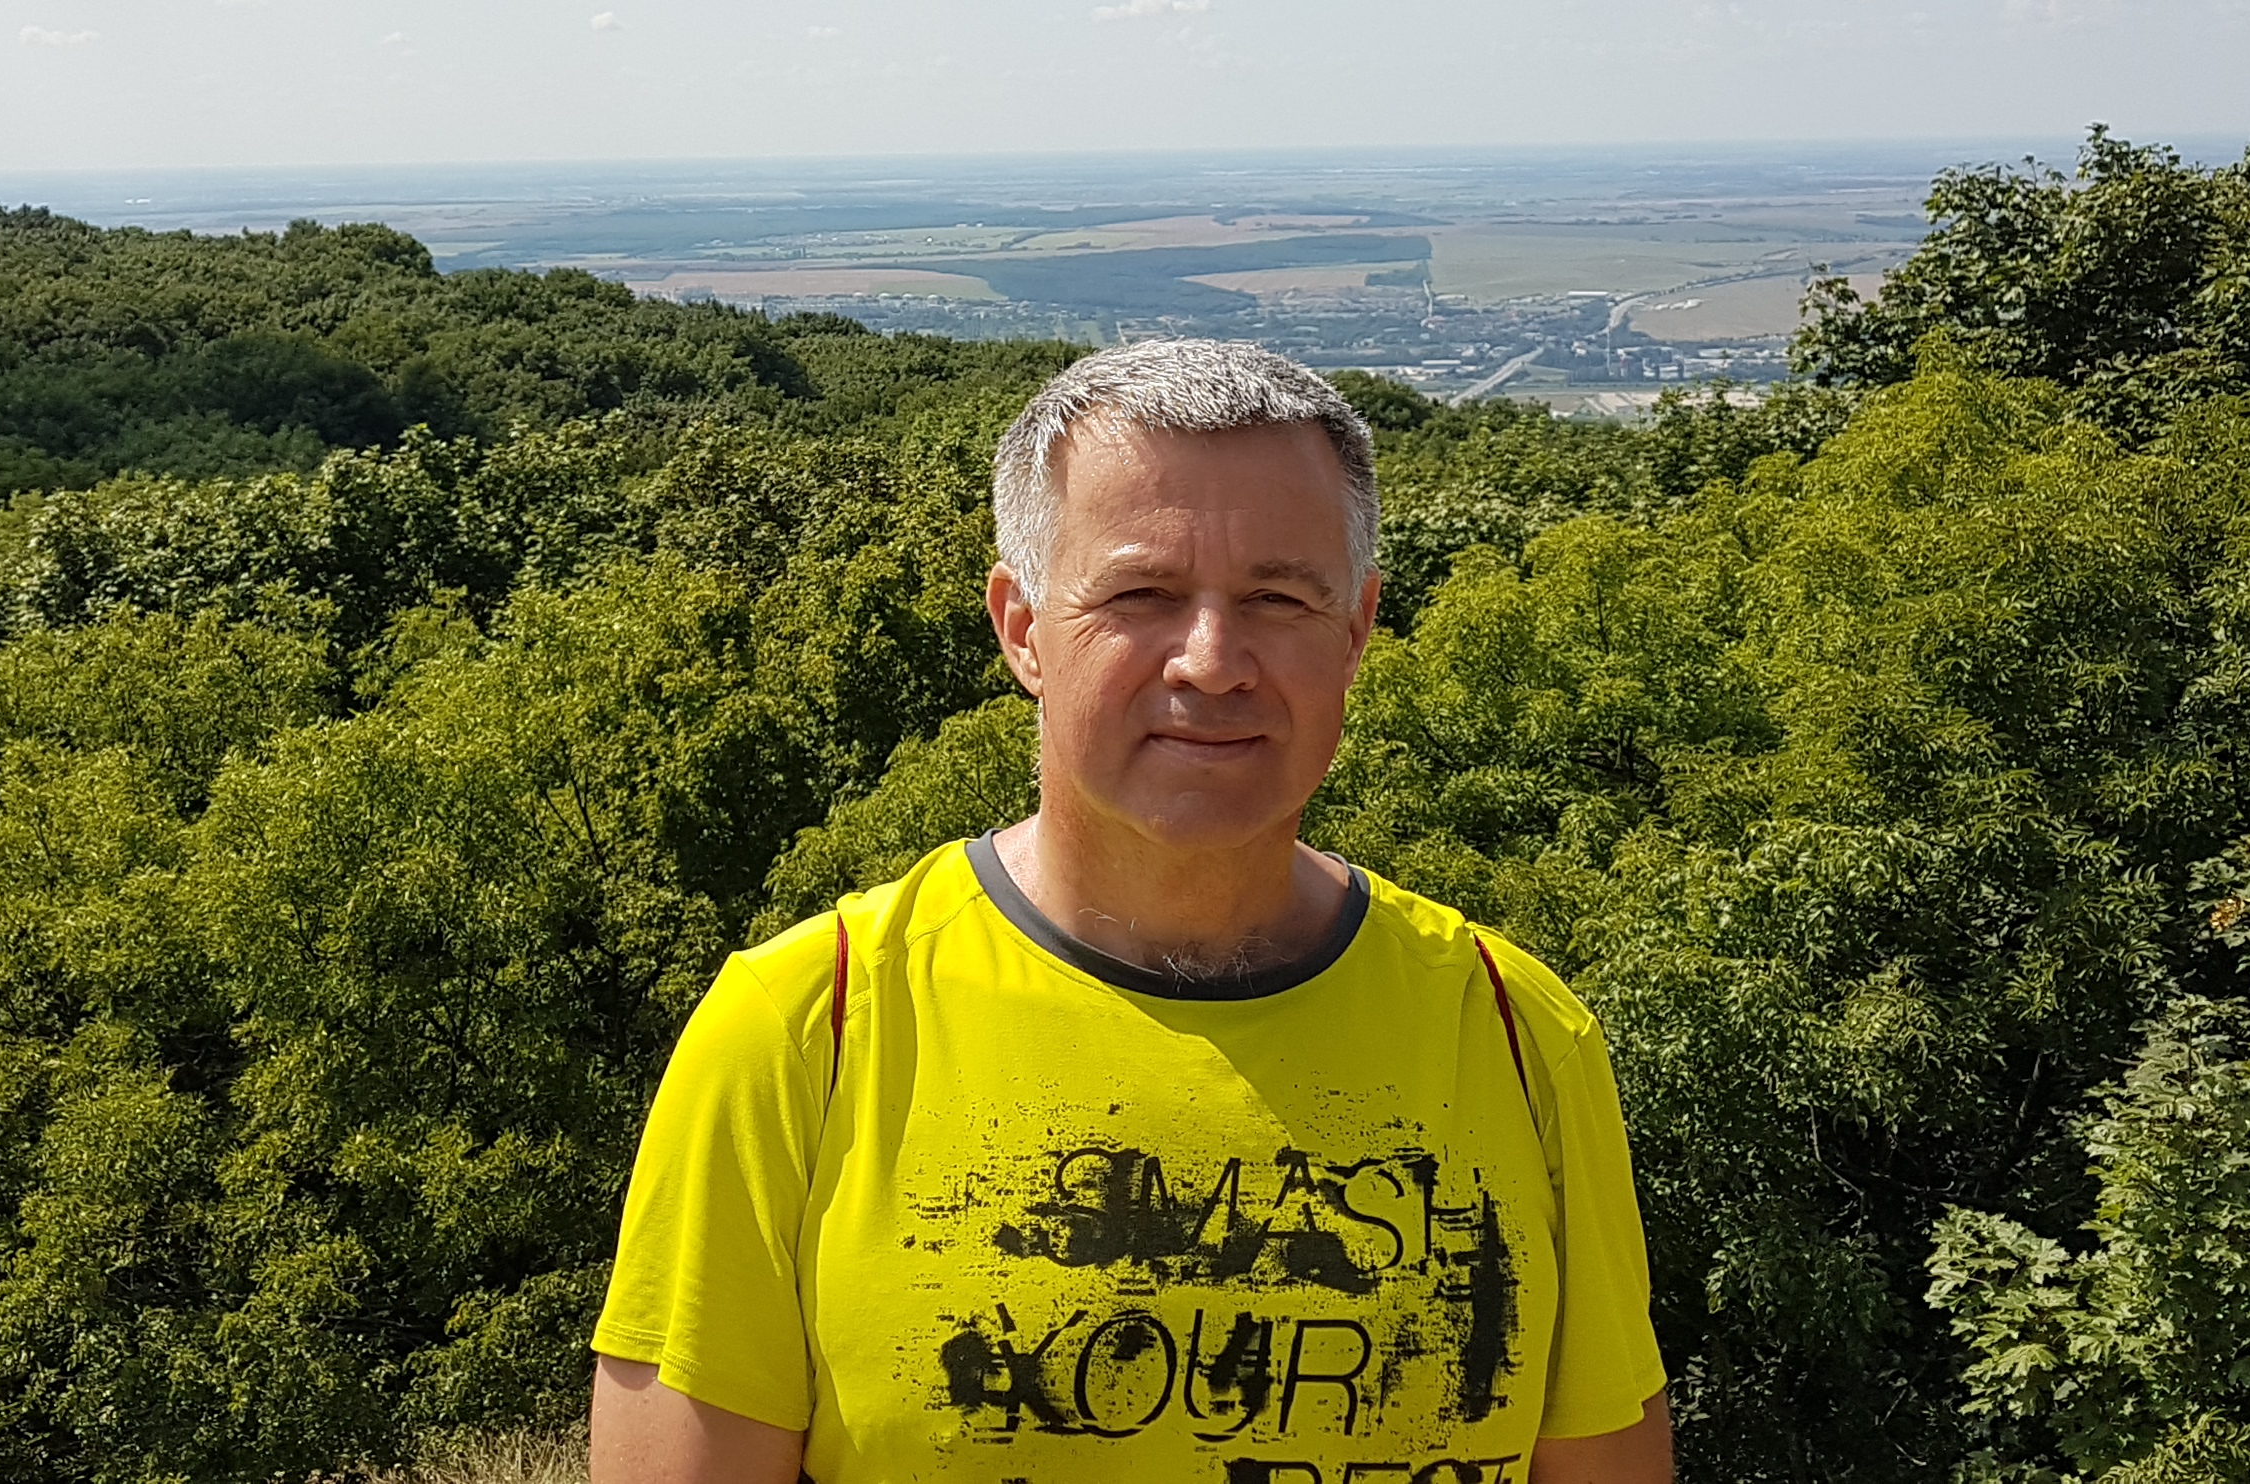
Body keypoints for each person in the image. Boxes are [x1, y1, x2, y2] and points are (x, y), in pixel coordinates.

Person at [592, 340, 1671, 1484]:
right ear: (1021, 628)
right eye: (1140, 595)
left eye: (1277, 599)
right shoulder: (811, 1029)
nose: (1211, 661)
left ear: (1355, 631)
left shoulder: (1514, 1033)